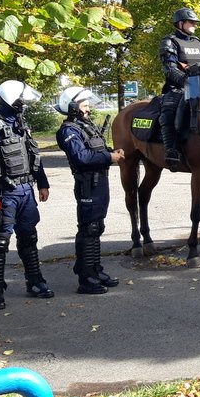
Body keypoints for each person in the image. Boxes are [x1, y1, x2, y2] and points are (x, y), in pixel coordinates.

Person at [0, 79, 52, 311]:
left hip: (26, 191)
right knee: (0, 242)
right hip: (3, 193)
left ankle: (35, 282)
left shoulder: (20, 122)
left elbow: (33, 155)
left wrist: (42, 183)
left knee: (29, 237)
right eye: (21, 100)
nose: (24, 104)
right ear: (10, 99)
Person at [55, 86, 125, 295]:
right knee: (89, 229)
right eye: (84, 105)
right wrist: (109, 158)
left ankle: (95, 269)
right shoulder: (69, 131)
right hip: (87, 184)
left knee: (97, 227)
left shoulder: (85, 127)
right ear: (72, 107)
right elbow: (82, 158)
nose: (87, 109)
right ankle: (85, 279)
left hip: (100, 182)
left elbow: (95, 150)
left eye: (87, 105)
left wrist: (111, 152)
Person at [159, 7, 200, 170]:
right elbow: (169, 68)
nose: (195, 25)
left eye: (195, 23)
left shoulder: (198, 42)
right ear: (180, 23)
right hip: (178, 87)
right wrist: (186, 81)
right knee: (168, 112)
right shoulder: (170, 41)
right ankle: (172, 151)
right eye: (191, 22)